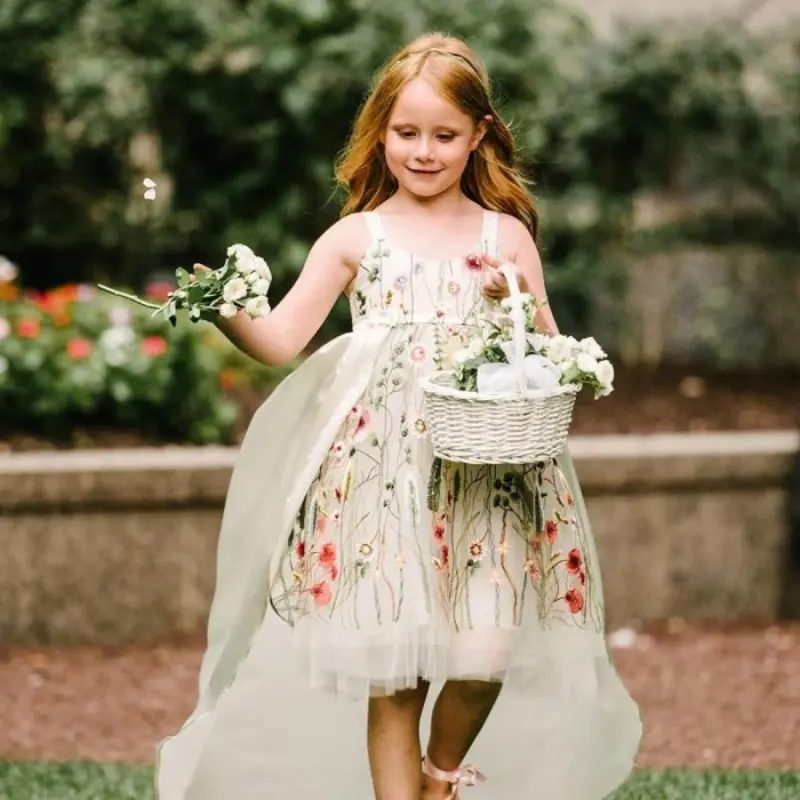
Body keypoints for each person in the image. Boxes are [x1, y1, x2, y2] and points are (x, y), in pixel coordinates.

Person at [157, 32, 642, 800]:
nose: (423, 151)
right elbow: (282, 339)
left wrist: (538, 340)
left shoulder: (503, 236)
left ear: (478, 135)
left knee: (483, 657)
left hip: (488, 477)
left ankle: (439, 777)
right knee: (399, 671)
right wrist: (226, 311)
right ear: (379, 133)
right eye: (405, 133)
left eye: (444, 136)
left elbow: (551, 349)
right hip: (384, 486)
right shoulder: (357, 238)